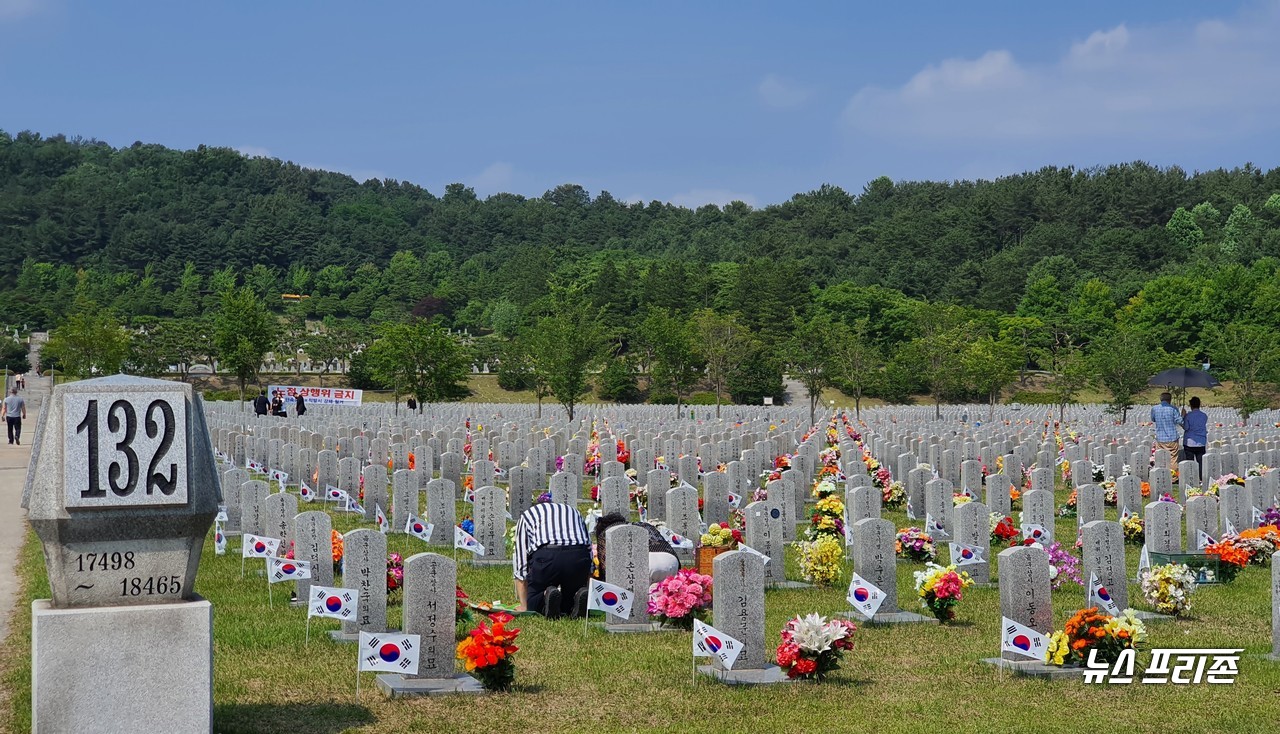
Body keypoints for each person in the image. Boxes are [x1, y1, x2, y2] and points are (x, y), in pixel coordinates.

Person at [512, 501, 592, 619]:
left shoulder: (527, 515)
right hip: (579, 556)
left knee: (533, 600)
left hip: (548, 556)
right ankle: (577, 596)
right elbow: (588, 546)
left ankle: (545, 596)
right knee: (570, 595)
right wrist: (588, 577)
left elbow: (521, 559)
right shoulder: (574, 511)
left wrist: (524, 605)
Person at [593, 512, 680, 584]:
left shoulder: (606, 533)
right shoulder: (643, 525)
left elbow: (604, 567)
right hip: (672, 561)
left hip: (646, 566)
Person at [1151, 391, 1183, 465]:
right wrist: (1183, 415)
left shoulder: (1154, 409)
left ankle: (1162, 474)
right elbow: (1180, 421)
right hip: (1172, 438)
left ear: (1160, 399)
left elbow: (1153, 419)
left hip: (1160, 438)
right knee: (1173, 459)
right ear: (1170, 400)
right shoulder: (1173, 408)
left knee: (1161, 458)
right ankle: (1173, 476)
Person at [1181, 396, 1208, 472]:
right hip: (1201, 442)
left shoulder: (1188, 416)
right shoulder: (1204, 415)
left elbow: (1186, 428)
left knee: (1190, 463)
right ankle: (1201, 478)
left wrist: (1183, 417)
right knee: (1201, 462)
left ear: (1191, 405)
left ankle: (1191, 476)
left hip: (1190, 442)